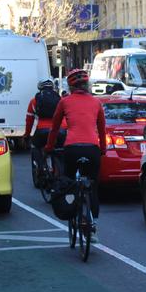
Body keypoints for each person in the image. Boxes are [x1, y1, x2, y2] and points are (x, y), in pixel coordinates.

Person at [45, 69, 106, 241]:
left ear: (70, 86)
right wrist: (103, 149)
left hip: (72, 148)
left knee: (69, 182)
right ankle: (93, 224)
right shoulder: (96, 102)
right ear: (87, 85)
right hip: (92, 149)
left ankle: (72, 211)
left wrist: (49, 147)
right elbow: (102, 129)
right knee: (92, 187)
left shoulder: (64, 102)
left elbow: (54, 128)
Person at [23, 79, 66, 151]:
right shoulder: (61, 100)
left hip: (42, 130)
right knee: (61, 151)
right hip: (60, 130)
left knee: (35, 147)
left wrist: (27, 135)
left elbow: (29, 121)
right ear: (53, 87)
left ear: (39, 88)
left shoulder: (34, 101)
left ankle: (38, 162)